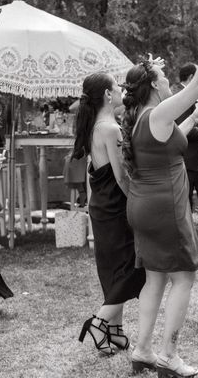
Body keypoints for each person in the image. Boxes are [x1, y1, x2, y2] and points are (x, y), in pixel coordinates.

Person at [121, 11, 198, 377]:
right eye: (165, 77)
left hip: (143, 205)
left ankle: (142, 350)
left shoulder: (145, 116)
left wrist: (191, 121)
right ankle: (170, 355)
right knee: (183, 277)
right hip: (164, 208)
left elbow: (162, 144)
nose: (169, 80)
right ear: (154, 86)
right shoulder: (155, 113)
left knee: (155, 277)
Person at [72, 72, 146, 355]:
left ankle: (115, 331)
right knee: (132, 268)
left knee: (113, 268)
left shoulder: (94, 125)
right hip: (116, 207)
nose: (121, 92)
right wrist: (138, 204)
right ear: (106, 94)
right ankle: (100, 323)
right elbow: (122, 177)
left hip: (101, 206)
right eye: (117, 88)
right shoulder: (110, 129)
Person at [172, 64, 198, 245]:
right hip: (186, 159)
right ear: (191, 77)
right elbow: (184, 131)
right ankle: (186, 234)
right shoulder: (178, 99)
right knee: (184, 200)